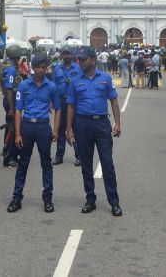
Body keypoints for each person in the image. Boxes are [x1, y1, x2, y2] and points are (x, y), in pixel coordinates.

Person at [66, 46, 122, 216]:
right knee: (86, 165)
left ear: (93, 59)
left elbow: (113, 101)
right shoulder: (75, 80)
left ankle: (114, 202)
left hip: (102, 125)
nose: (80, 62)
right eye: (79, 59)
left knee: (107, 164)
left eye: (83, 59)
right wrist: (69, 130)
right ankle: (90, 199)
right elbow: (70, 106)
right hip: (82, 125)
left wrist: (117, 123)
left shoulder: (105, 78)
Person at [8, 54, 61, 213]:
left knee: (46, 163)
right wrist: (17, 133)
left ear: (46, 68)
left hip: (43, 127)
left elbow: (58, 108)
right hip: (27, 127)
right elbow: (18, 110)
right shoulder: (24, 86)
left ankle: (48, 199)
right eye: (38, 67)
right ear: (32, 68)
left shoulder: (51, 87)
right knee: (23, 163)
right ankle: (17, 198)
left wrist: (56, 131)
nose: (41, 70)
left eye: (43, 67)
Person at [50, 47, 81, 166]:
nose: (66, 56)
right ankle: (59, 156)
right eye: (64, 54)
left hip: (74, 102)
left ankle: (79, 156)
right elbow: (53, 85)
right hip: (61, 101)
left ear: (72, 55)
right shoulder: (57, 68)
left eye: (68, 54)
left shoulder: (78, 68)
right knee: (60, 129)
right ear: (61, 56)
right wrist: (52, 101)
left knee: (76, 129)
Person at [1, 53, 20, 167]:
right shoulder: (11, 69)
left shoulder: (6, 66)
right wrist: (12, 108)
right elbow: (9, 89)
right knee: (11, 129)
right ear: (17, 58)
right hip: (11, 101)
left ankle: (12, 155)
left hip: (10, 101)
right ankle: (9, 157)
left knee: (12, 127)